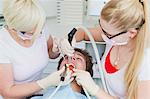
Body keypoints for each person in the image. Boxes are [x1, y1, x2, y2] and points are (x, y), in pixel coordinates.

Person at [59, 0, 150, 99]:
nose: (102, 35)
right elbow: (84, 33)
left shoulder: (145, 63)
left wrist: (95, 90)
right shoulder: (114, 37)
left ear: (131, 33)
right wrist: (71, 39)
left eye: (108, 34)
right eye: (101, 26)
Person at [0, 0, 72, 99]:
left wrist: (57, 48)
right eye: (31, 32)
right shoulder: (3, 44)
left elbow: (51, 54)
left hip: (36, 94)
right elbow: (7, 92)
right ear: (14, 28)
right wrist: (45, 83)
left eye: (40, 31)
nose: (38, 35)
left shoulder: (39, 26)